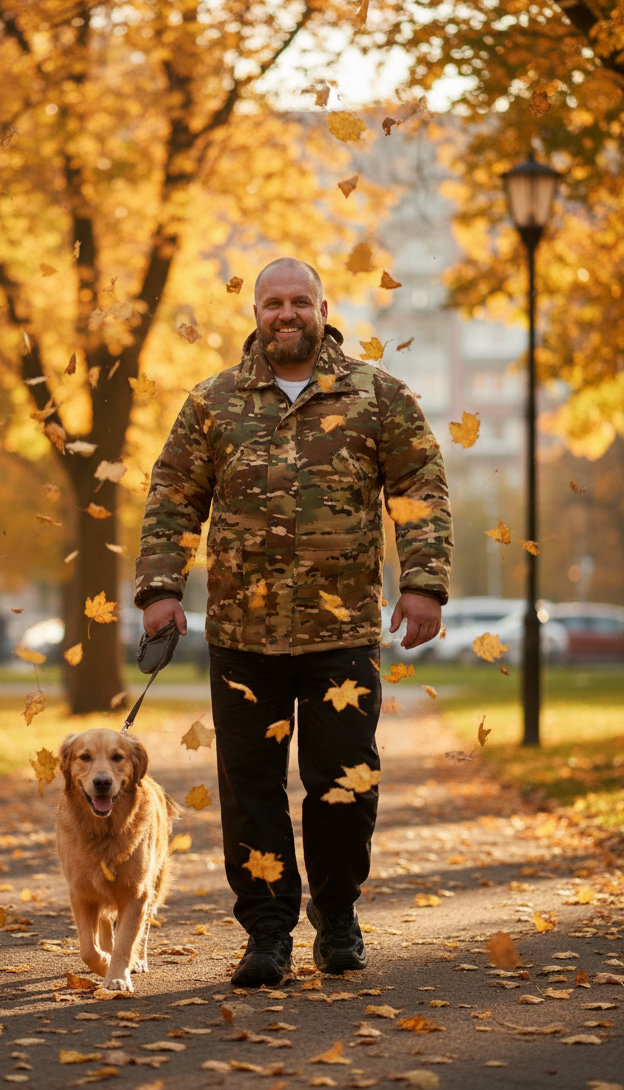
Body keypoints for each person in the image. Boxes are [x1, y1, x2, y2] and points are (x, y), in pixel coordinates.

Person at [134, 257, 452, 987]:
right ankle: (268, 933)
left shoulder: (376, 395)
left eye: (299, 302)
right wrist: (159, 587)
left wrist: (425, 583)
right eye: (273, 302)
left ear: (322, 308)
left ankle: (336, 917)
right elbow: (174, 495)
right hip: (243, 636)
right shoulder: (213, 402)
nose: (286, 314)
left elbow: (419, 488)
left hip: (341, 634)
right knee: (250, 790)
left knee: (344, 782)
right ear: (254, 313)